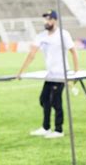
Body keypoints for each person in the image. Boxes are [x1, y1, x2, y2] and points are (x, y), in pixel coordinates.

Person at [17, 9, 79, 139]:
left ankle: (58, 129)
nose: (47, 21)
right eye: (45, 19)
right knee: (44, 99)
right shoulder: (41, 36)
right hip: (50, 75)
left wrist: (76, 73)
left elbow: (73, 52)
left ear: (55, 20)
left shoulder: (63, 34)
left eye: (49, 19)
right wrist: (21, 72)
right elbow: (32, 54)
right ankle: (46, 128)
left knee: (56, 101)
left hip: (62, 74)